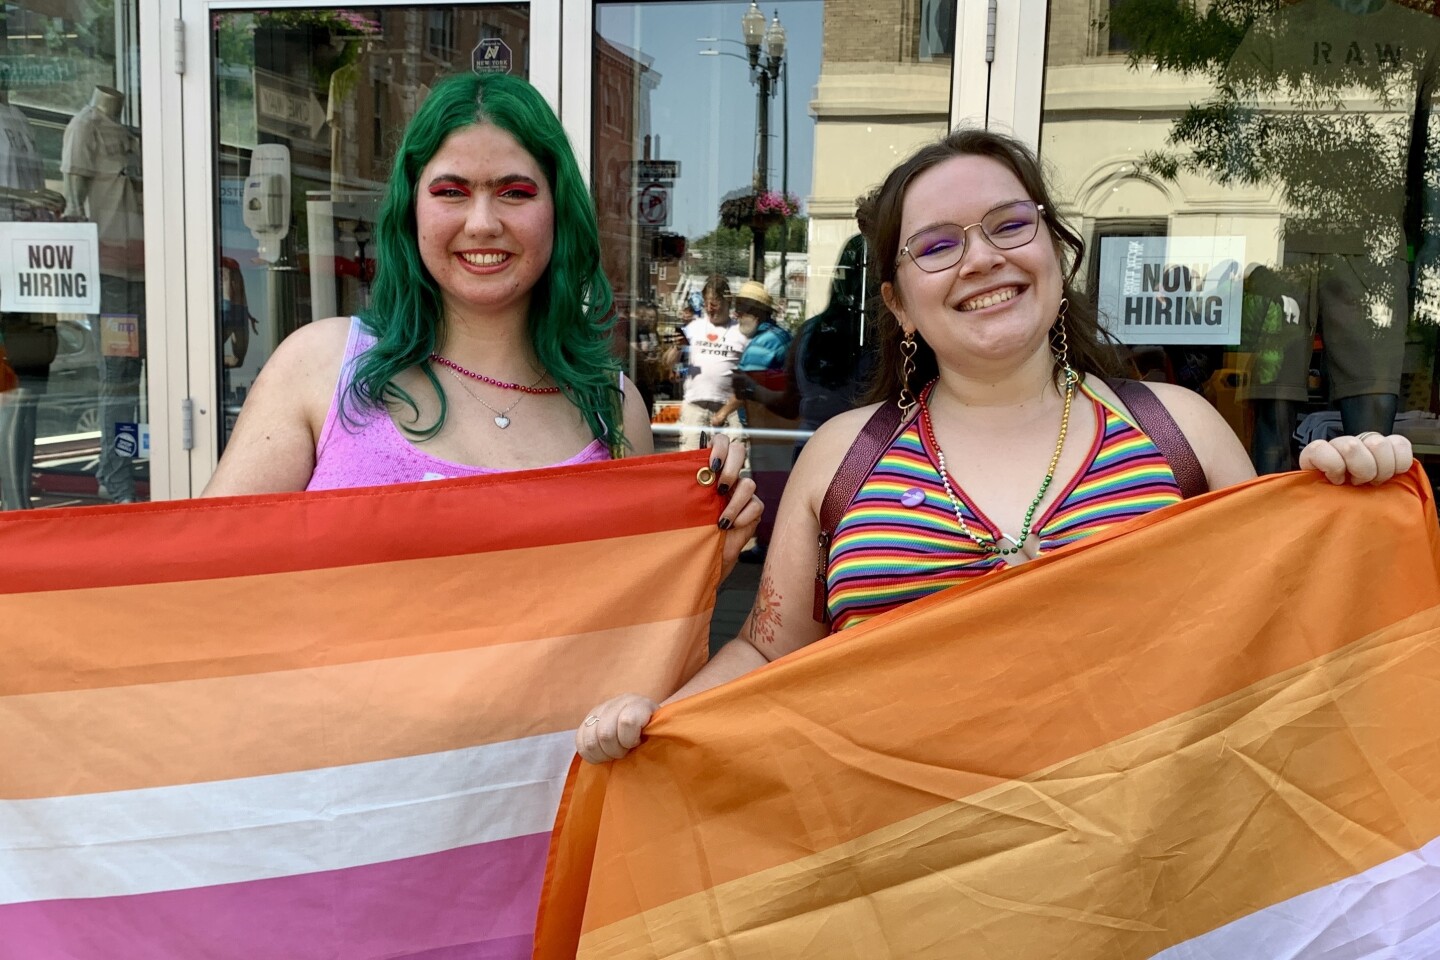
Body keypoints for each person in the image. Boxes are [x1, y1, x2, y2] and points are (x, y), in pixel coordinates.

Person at [576, 127, 1414, 763]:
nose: (981, 259)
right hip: (907, 885)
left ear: (1055, 252)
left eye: (1010, 226)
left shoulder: (1180, 428)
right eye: (938, 245)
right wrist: (664, 720)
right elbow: (768, 645)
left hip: (1154, 880)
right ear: (900, 304)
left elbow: (1280, 621)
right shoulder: (842, 456)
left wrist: (1343, 510)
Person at [203, 73, 759, 564]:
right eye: (451, 191)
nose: (482, 222)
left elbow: (625, 621)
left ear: (557, 212)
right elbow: (202, 579)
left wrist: (705, 555)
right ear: (411, 207)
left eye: (514, 192)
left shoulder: (611, 406)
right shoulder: (319, 366)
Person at [718, 280, 792, 560]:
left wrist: (722, 412)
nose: (737, 314)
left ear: (756, 312)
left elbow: (746, 385)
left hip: (770, 425)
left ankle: (767, 545)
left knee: (768, 485)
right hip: (776, 424)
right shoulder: (777, 335)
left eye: (742, 308)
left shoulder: (765, 341)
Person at [669, 274, 747, 450]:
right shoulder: (694, 328)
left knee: (730, 466)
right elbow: (667, 363)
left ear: (728, 301)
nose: (710, 309)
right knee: (689, 465)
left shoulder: (740, 332)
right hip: (695, 408)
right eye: (706, 304)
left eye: (715, 304)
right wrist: (677, 347)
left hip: (729, 410)